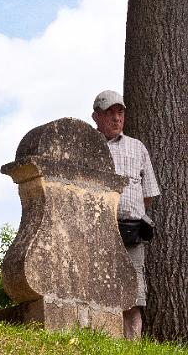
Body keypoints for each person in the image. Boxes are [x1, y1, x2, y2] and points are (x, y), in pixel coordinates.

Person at [92, 90, 160, 340]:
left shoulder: (137, 147)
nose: (116, 118)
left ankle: (132, 348)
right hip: (99, 232)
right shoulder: (89, 147)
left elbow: (149, 192)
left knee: (134, 295)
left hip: (132, 231)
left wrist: (130, 212)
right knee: (100, 291)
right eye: (109, 112)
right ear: (96, 116)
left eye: (120, 112)